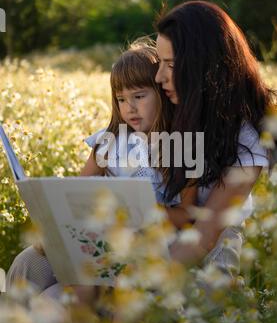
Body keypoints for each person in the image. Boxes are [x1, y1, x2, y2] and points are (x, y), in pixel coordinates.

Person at [6, 40, 197, 295]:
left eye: (139, 96)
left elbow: (188, 216)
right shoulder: (108, 143)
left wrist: (141, 211)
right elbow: (74, 194)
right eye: (121, 99)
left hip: (146, 247)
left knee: (70, 293)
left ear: (162, 92)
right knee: (26, 263)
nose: (130, 107)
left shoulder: (183, 146)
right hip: (99, 239)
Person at [154, 0, 277, 271]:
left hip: (209, 251)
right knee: (49, 274)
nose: (159, 77)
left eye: (170, 65)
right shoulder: (169, 107)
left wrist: (141, 283)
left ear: (205, 66)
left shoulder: (250, 136)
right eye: (159, 63)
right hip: (158, 232)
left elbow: (206, 235)